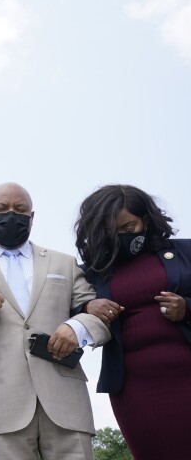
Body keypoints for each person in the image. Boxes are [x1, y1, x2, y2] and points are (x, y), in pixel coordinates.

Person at [0, 182, 111, 460]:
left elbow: (99, 314)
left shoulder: (64, 263)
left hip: (65, 399)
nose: (10, 215)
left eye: (19, 210)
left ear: (32, 217)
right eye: (1, 209)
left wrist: (77, 328)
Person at [74, 184, 191, 459]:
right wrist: (87, 305)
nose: (123, 237)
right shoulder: (90, 274)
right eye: (112, 231)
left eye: (129, 228)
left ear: (146, 221)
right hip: (135, 389)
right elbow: (64, 307)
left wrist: (187, 309)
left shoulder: (186, 253)